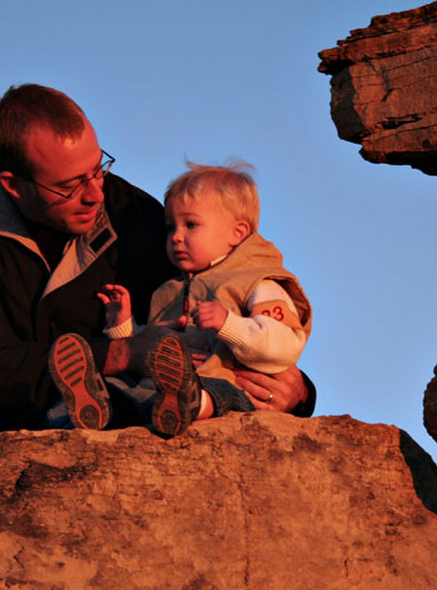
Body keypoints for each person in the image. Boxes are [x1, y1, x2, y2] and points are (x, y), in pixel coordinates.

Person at [0, 84, 315, 468]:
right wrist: (123, 351)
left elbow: (215, 295)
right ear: (12, 185)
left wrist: (295, 385)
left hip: (100, 423)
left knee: (153, 392)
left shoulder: (135, 216)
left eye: (97, 169)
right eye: (69, 185)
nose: (94, 194)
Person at [48, 162, 312, 436]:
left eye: (191, 225)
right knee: (124, 387)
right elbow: (154, 348)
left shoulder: (258, 282)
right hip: (165, 388)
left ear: (238, 232)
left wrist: (230, 324)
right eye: (171, 227)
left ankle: (186, 403)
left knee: (217, 391)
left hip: (230, 385)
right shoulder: (169, 290)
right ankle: (90, 410)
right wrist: (123, 327)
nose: (176, 237)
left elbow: (286, 343)